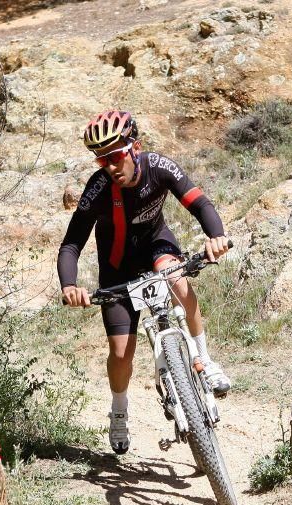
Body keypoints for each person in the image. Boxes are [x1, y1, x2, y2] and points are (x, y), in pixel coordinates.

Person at [58, 109, 232, 454]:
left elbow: (199, 204)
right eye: (100, 159)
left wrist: (216, 237)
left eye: (114, 156)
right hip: (117, 269)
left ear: (134, 148)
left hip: (156, 247)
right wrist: (69, 285)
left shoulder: (160, 167)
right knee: (122, 353)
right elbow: (71, 244)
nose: (108, 165)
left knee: (178, 278)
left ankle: (204, 359)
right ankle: (119, 410)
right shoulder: (97, 189)